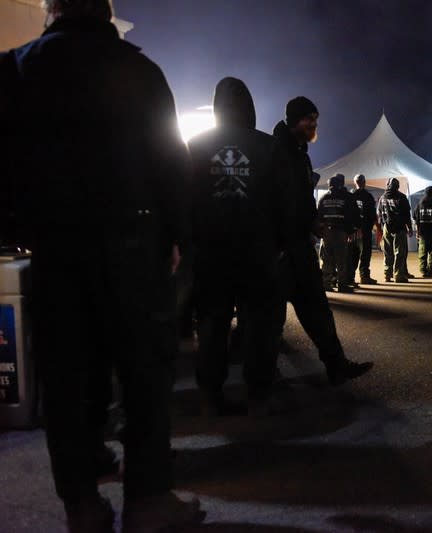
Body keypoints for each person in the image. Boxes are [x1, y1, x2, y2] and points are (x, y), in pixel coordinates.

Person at [1, 1, 205, 530]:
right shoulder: (139, 70)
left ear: (51, 11)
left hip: (53, 246)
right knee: (143, 372)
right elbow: (171, 160)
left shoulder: (15, 68)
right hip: (132, 242)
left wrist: (17, 230)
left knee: (68, 373)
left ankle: (82, 506)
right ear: (105, 12)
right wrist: (179, 236)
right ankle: (148, 500)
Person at [188, 77, 291, 416]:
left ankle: (210, 393)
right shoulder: (267, 146)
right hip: (256, 250)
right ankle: (260, 389)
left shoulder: (196, 145)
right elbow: (282, 201)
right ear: (250, 106)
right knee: (260, 322)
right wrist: (281, 243)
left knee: (212, 323)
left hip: (210, 251)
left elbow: (182, 198)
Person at [270, 97, 373, 388]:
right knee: (270, 320)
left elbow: (301, 201)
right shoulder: (277, 150)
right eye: (308, 118)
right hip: (281, 249)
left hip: (300, 246)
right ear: (294, 119)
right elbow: (276, 201)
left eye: (315, 118)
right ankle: (262, 385)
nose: (314, 124)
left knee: (318, 310)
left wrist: (313, 222)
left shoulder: (300, 153)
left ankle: (336, 366)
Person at [318, 173, 359, 292]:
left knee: (327, 259)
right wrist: (351, 231)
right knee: (341, 259)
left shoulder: (323, 198)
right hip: (341, 232)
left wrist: (320, 231)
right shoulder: (345, 197)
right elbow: (351, 216)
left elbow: (318, 216)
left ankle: (326, 283)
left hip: (327, 232)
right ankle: (342, 284)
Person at [378, 177, 413, 282]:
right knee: (399, 252)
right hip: (399, 228)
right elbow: (407, 214)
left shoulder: (382, 197)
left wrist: (382, 226)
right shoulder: (401, 197)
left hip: (387, 227)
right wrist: (410, 227)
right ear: (397, 186)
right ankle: (398, 275)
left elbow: (379, 213)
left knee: (388, 252)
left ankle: (387, 274)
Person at [349, 174, 378, 285]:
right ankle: (364, 276)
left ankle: (350, 277)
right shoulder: (368, 196)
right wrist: (374, 226)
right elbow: (372, 214)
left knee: (353, 254)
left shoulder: (351, 196)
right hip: (365, 229)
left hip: (353, 230)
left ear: (355, 182)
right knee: (365, 254)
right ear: (364, 182)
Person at [413, 186, 432, 277]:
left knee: (423, 252)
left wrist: (417, 231)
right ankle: (431, 270)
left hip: (423, 233)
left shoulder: (419, 204)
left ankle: (423, 270)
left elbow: (415, 218)